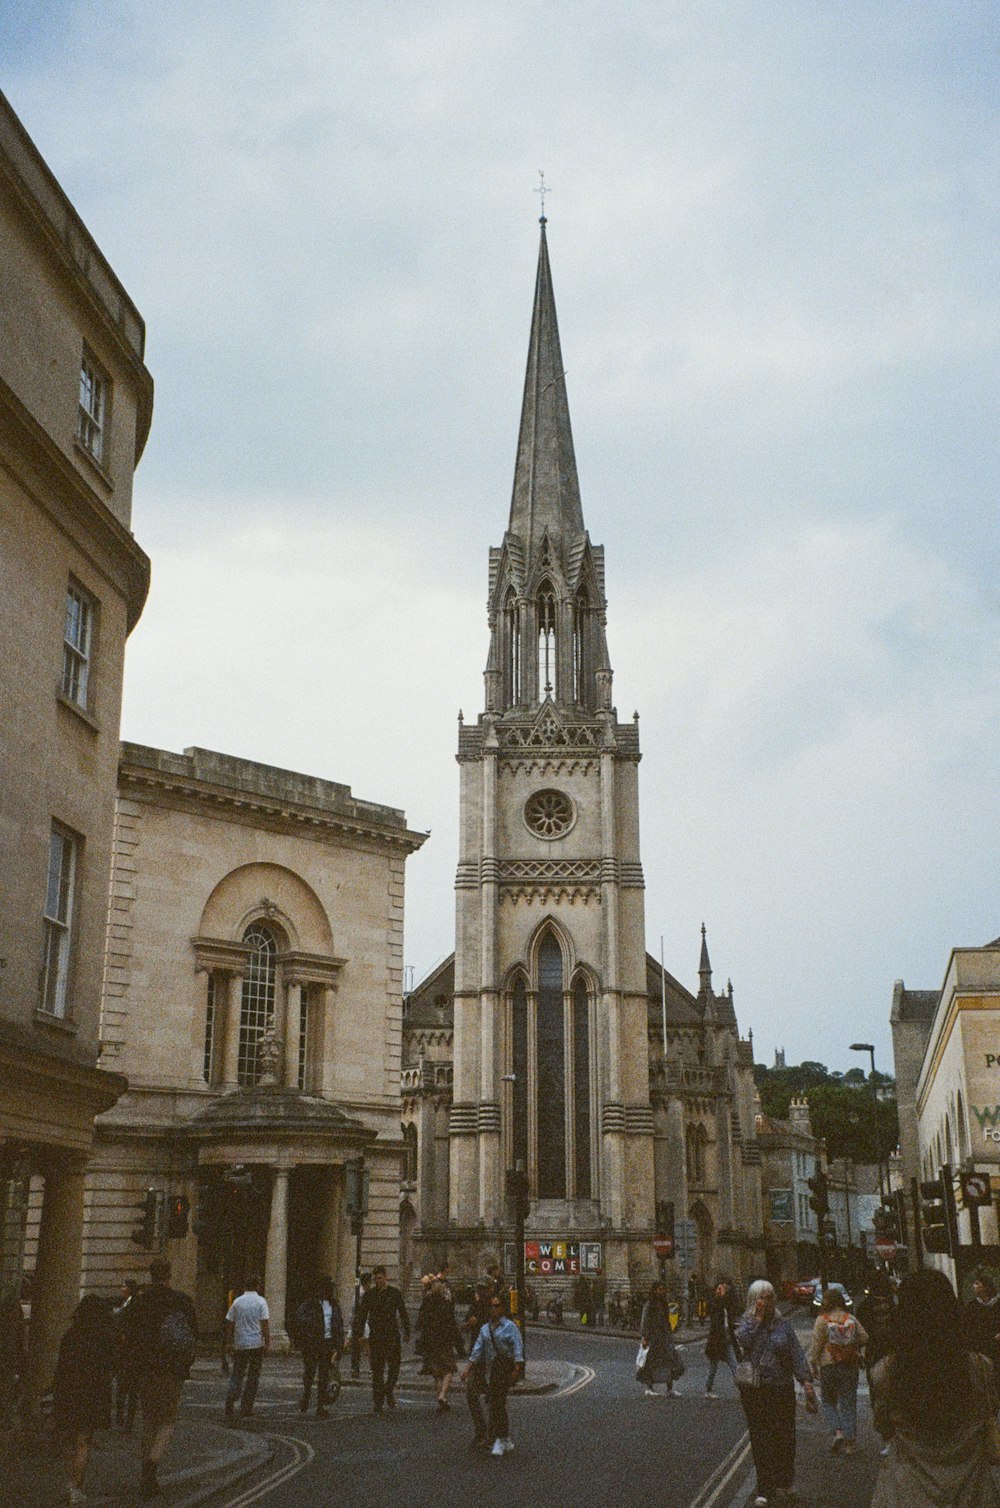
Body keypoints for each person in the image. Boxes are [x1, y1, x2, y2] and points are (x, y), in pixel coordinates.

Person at [871, 1267, 1000, 1507]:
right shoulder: (980, 1368)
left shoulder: (887, 1372)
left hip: (907, 1491)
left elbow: (884, 1427)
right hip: (971, 1492)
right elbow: (988, 1413)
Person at [735, 1278, 817, 1508]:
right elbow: (743, 1343)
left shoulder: (783, 1325)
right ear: (753, 1300)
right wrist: (759, 1322)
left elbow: (796, 1353)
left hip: (781, 1388)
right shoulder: (746, 1324)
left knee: (785, 1436)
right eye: (761, 1297)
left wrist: (806, 1382)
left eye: (770, 1296)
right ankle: (765, 1487)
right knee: (761, 1438)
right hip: (756, 1391)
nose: (766, 1301)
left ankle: (786, 1480)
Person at [124, 1259, 198, 1500]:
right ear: (169, 1275)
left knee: (148, 1420)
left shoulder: (140, 1301)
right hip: (172, 1369)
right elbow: (192, 1334)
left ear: (150, 1273)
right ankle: (151, 1465)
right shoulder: (182, 1301)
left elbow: (127, 1332)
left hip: (145, 1369)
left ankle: (148, 1473)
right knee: (167, 1421)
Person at [53, 1293, 116, 1506]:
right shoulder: (104, 1338)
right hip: (93, 1394)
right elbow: (110, 1367)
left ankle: (70, 1482)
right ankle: (76, 1486)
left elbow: (61, 1367)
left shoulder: (70, 1335)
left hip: (69, 1392)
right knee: (83, 1441)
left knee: (68, 1439)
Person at [462, 1292, 524, 1455]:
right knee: (490, 1401)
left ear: (502, 1308)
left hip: (504, 1370)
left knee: (497, 1403)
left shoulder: (511, 1327)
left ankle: (497, 1439)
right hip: (490, 1370)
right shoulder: (484, 1328)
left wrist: (517, 1370)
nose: (494, 1309)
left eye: (497, 1306)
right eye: (491, 1306)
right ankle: (499, 1437)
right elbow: (477, 1350)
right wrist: (467, 1368)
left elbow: (518, 1350)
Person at [808, 1286, 868, 1455]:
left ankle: (838, 1431)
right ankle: (850, 1445)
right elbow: (864, 1337)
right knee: (848, 1403)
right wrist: (851, 1346)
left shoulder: (822, 1320)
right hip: (849, 1365)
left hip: (828, 1365)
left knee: (828, 1401)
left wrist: (813, 1364)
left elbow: (816, 1345)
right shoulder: (851, 1318)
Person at [355, 1264, 410, 1413]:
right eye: (376, 1279)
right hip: (376, 1336)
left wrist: (407, 1331)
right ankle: (378, 1401)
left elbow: (403, 1313)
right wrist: (359, 1334)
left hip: (392, 1335)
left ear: (386, 1277)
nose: (378, 1281)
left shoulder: (394, 1293)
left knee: (394, 1366)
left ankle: (389, 1389)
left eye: (380, 1278)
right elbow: (361, 1315)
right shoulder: (370, 1295)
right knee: (377, 1370)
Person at [293, 1277, 344, 1418]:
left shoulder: (334, 1305)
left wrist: (339, 1346)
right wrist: (312, 1328)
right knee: (309, 1372)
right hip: (312, 1343)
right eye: (327, 1288)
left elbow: (339, 1325)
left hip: (327, 1343)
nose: (329, 1291)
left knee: (324, 1375)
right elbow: (299, 1319)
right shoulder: (309, 1304)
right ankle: (306, 1394)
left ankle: (320, 1406)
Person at [224, 1276, 270, 1422]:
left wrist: (229, 1342)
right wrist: (267, 1341)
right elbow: (264, 1323)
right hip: (256, 1343)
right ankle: (246, 1407)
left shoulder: (237, 1301)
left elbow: (230, 1323)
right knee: (253, 1376)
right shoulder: (261, 1301)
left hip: (240, 1343)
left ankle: (230, 1401)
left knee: (237, 1374)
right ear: (257, 1285)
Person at [420, 1279, 463, 1410]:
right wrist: (459, 1344)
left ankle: (440, 1396)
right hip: (444, 1341)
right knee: (450, 1368)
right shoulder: (446, 1305)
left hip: (430, 1343)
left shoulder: (426, 1305)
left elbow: (421, 1323)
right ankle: (442, 1395)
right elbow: (452, 1325)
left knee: (437, 1373)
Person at [638, 1279, 683, 1397]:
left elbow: (667, 1320)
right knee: (650, 1363)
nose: (663, 1292)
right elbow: (645, 1321)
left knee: (669, 1362)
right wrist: (645, 1336)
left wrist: (671, 1330)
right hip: (653, 1337)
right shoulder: (649, 1304)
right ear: (655, 1290)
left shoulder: (664, 1303)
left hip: (664, 1337)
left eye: (664, 1289)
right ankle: (649, 1388)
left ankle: (669, 1389)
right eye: (660, 1289)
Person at [705, 1276, 740, 1398]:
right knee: (713, 1367)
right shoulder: (713, 1302)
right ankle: (708, 1390)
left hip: (726, 1338)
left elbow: (735, 1309)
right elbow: (714, 1312)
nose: (721, 1290)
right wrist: (722, 1296)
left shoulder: (728, 1301)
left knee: (734, 1364)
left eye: (723, 1288)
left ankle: (743, 1390)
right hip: (716, 1339)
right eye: (719, 1288)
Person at [113, 1279, 139, 1432]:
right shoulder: (128, 1303)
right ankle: (126, 1419)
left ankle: (122, 1418)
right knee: (131, 1390)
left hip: (127, 1353)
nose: (121, 1288)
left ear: (129, 1289)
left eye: (124, 1286)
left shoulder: (129, 1306)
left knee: (124, 1387)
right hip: (133, 1353)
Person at [965, 1270, 1000, 1372]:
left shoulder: (998, 1303)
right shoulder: (972, 1306)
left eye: (977, 1283)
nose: (973, 1286)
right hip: (982, 1347)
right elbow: (969, 1328)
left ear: (985, 1286)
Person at [349, 1271, 372, 1379]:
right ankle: (369, 1367)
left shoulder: (360, 1293)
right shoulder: (362, 1294)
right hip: (360, 1323)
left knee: (356, 1346)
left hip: (357, 1322)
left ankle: (355, 1368)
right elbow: (359, 1310)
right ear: (366, 1283)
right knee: (364, 1345)